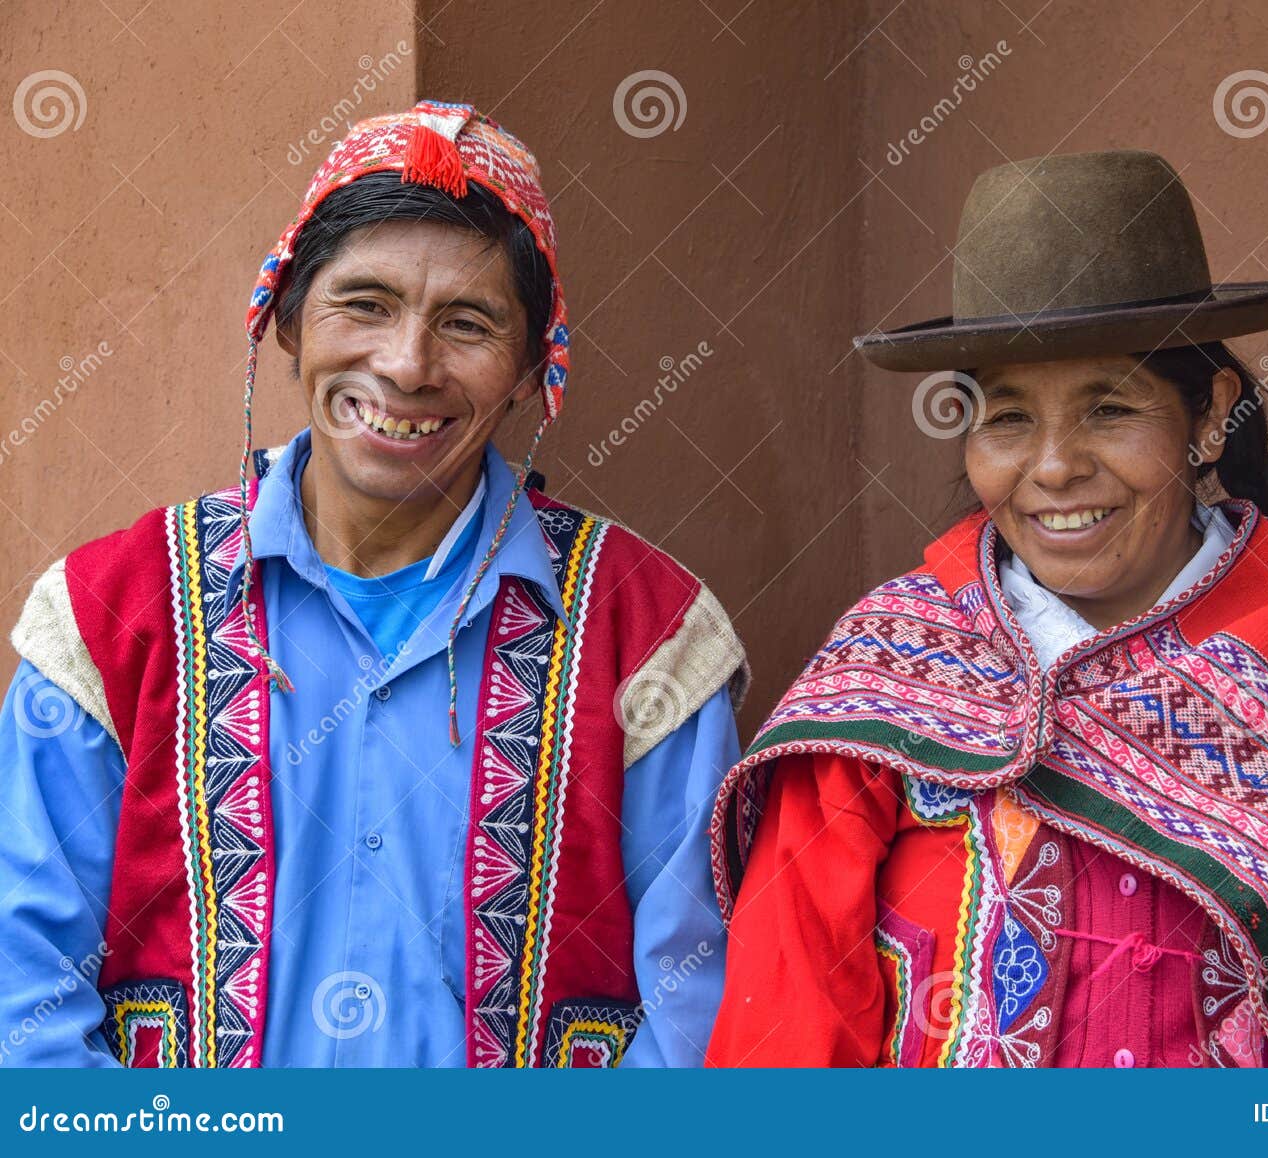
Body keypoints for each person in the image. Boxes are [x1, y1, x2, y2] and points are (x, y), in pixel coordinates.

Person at [705, 149, 1268, 1068]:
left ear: (1208, 413)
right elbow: (781, 1030)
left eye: (1107, 408)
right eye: (1009, 418)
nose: (1053, 468)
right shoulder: (889, 673)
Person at [0, 101, 746, 1068]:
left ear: (531, 371)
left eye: (468, 323)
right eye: (364, 304)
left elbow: (700, 1009)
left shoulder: (647, 633)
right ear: (286, 323)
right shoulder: (111, 614)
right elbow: (25, 996)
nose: (405, 366)